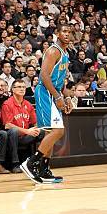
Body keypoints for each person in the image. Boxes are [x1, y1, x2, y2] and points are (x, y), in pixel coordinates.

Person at [20, 23, 73, 184]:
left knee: (52, 132)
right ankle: (31, 162)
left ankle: (43, 168)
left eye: (69, 32)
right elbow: (43, 75)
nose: (67, 34)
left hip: (53, 92)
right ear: (57, 33)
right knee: (58, 131)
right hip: (45, 92)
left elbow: (61, 80)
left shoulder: (65, 53)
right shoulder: (52, 51)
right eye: (64, 31)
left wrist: (67, 97)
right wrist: (57, 97)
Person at [1, 80, 45, 173]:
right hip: (12, 137)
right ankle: (15, 164)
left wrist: (36, 129)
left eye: (23, 87)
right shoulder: (7, 104)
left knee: (42, 132)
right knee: (13, 131)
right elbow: (8, 125)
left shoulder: (28, 104)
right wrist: (27, 131)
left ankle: (36, 162)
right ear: (12, 89)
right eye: (19, 87)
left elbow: (35, 122)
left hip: (25, 137)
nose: (22, 89)